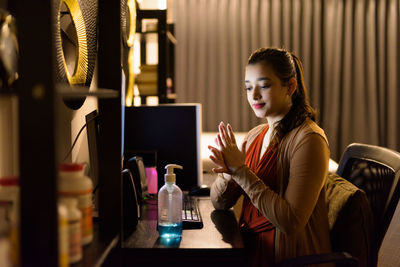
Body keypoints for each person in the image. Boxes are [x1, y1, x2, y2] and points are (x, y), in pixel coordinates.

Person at [208, 47, 332, 266]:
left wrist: (241, 172)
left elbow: (290, 222)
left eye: (264, 86)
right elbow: (219, 204)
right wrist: (229, 174)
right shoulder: (254, 136)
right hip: (248, 248)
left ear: (290, 86)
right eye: (248, 88)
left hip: (287, 258)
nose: (254, 95)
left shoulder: (309, 139)